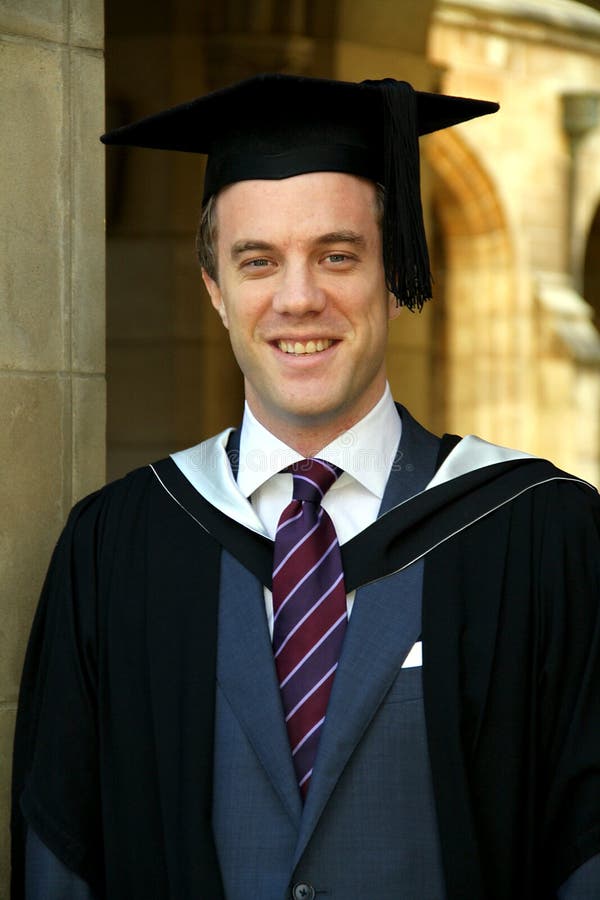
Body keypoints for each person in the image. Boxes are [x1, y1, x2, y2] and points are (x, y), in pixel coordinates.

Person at [11, 73, 600, 900]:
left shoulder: (541, 534)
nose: (298, 299)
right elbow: (59, 856)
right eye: (258, 262)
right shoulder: (117, 547)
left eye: (337, 255)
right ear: (215, 290)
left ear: (395, 276)